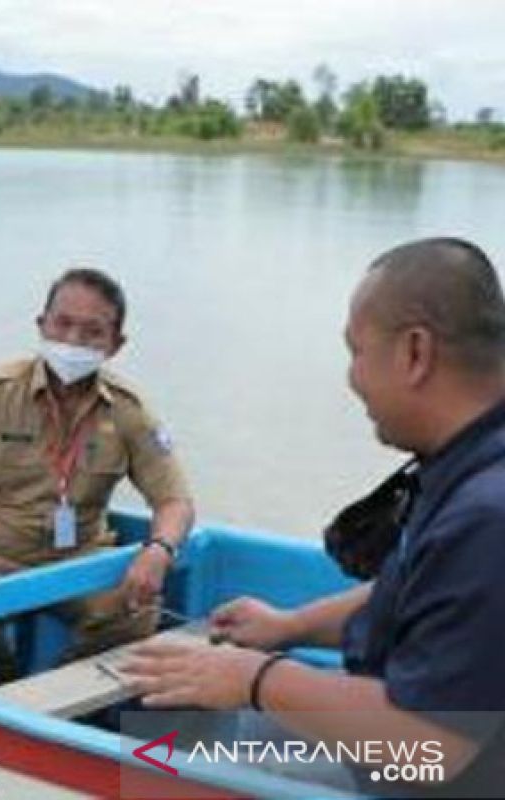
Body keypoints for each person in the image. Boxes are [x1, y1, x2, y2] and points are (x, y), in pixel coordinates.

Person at [124, 238, 505, 793]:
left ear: (415, 353)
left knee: (152, 763)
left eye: (356, 351)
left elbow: (432, 750)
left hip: (426, 770)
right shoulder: (471, 463)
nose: (352, 379)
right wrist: (290, 627)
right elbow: (422, 590)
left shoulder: (487, 517)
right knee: (173, 731)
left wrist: (259, 680)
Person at [0, 267, 195, 691]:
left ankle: (52, 693)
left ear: (116, 345)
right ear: (41, 325)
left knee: (137, 612)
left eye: (93, 331)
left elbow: (176, 502)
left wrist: (159, 549)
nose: (73, 341)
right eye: (62, 324)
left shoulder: (129, 409)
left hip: (79, 552)